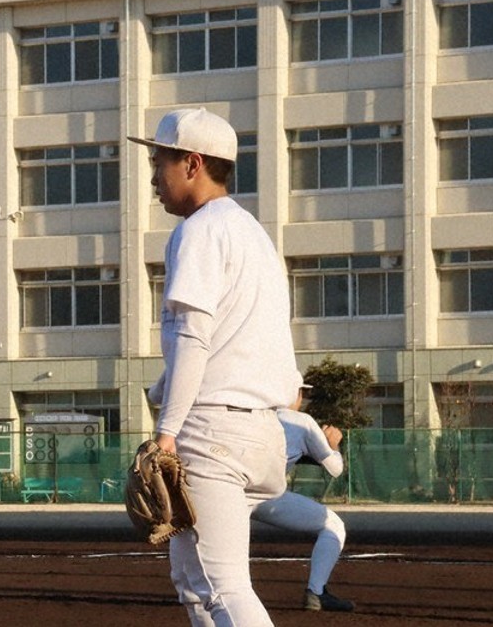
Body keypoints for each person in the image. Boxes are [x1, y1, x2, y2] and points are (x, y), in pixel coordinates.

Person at [131, 108, 302, 626]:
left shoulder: (201, 230)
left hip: (213, 431)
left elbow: (193, 335)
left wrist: (166, 432)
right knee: (193, 585)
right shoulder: (252, 234)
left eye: (160, 160)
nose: (154, 175)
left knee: (220, 585)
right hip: (259, 430)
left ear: (193, 163)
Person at [252, 384, 355, 612]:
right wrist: (332, 445)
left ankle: (195, 593)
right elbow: (335, 468)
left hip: (229, 493)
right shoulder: (301, 421)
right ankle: (316, 593)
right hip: (267, 497)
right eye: (302, 392)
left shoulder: (251, 413)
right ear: (295, 393)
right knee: (333, 525)